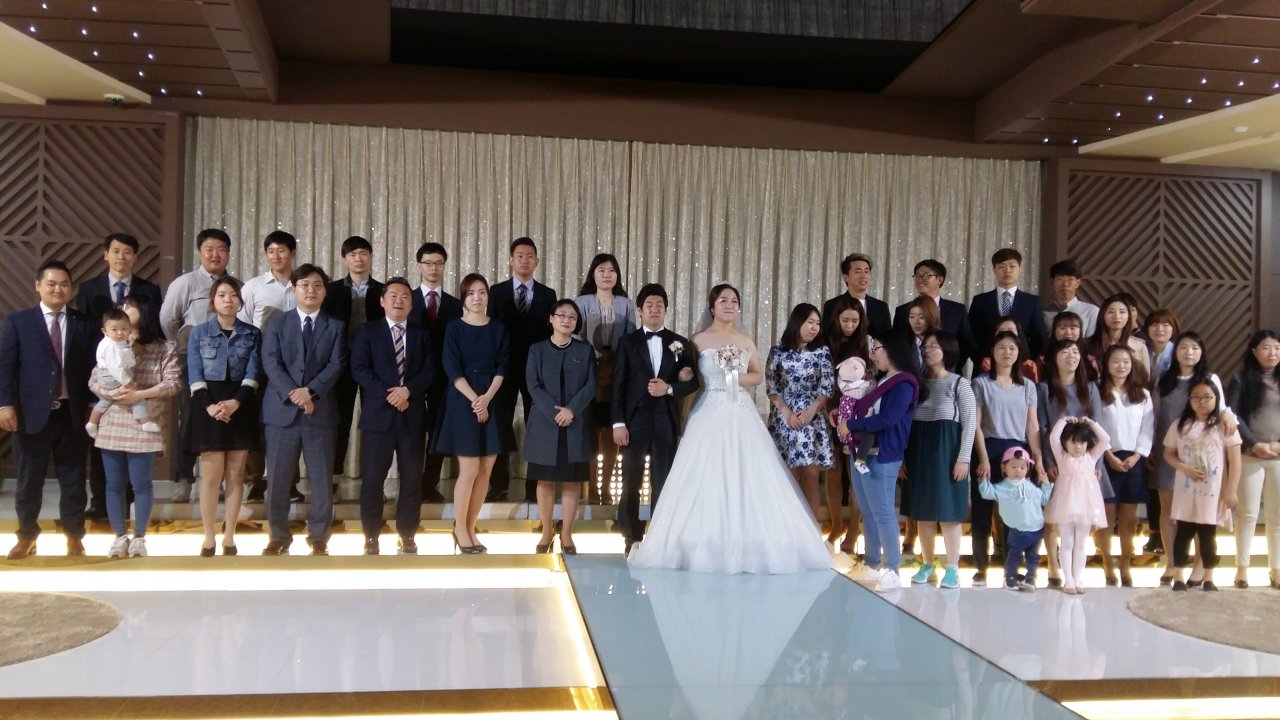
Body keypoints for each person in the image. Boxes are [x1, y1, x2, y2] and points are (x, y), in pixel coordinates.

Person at [628, 284, 830, 574]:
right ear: (712, 306)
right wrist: (684, 373)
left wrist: (734, 376)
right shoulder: (697, 340)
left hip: (740, 410)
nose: (729, 305)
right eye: (723, 300)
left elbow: (758, 376)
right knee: (705, 473)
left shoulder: (745, 340)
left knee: (747, 472)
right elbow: (688, 376)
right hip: (709, 409)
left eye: (734, 300)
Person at [0, 260, 96, 560]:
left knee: (74, 479)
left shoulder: (84, 323)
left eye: (64, 284)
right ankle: (26, 536)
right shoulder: (18, 322)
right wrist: (5, 405)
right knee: (29, 480)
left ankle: (74, 537)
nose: (58, 289)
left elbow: (94, 368)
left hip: (72, 413)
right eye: (51, 283)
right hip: (30, 414)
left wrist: (93, 406)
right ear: (38, 286)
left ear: (71, 288)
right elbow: (6, 367)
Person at [259, 265, 345, 556]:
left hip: (319, 413)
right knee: (278, 480)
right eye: (305, 285)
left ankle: (319, 537)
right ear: (294, 289)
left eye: (318, 285)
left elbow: (336, 364)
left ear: (325, 291)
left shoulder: (335, 326)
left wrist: (310, 392)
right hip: (281, 412)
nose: (311, 290)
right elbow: (270, 362)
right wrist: (295, 394)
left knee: (321, 480)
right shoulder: (276, 322)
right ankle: (278, 536)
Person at [75, 232, 163, 520]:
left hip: (137, 373)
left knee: (133, 439)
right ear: (106, 255)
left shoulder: (149, 290)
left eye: (127, 252)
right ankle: (99, 500)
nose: (121, 257)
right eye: (115, 251)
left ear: (135, 257)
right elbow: (84, 333)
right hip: (102, 374)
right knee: (103, 439)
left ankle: (128, 502)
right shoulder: (90, 289)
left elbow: (153, 328)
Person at [611, 283, 700, 556]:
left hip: (664, 417)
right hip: (635, 419)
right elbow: (618, 385)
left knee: (663, 478)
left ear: (666, 310)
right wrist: (618, 423)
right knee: (631, 477)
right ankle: (631, 534)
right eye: (648, 305)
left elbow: (693, 381)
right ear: (639, 311)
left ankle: (661, 535)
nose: (654, 309)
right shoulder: (627, 342)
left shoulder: (679, 343)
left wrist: (670, 388)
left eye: (659, 305)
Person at [90, 297, 181, 558]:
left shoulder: (163, 347)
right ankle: (119, 536)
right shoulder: (109, 342)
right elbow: (94, 379)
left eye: (130, 306)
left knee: (141, 484)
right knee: (113, 484)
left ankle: (139, 537)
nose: (124, 311)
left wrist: (139, 394)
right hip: (114, 419)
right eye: (121, 308)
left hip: (145, 422)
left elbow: (174, 384)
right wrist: (113, 393)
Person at [350, 278, 433, 555]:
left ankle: (407, 533)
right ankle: (371, 535)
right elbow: (359, 369)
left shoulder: (422, 334)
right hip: (378, 416)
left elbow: (430, 370)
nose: (399, 301)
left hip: (412, 415)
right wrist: (390, 394)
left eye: (405, 296)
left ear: (412, 303)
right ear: (382, 301)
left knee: (412, 478)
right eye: (393, 296)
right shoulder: (367, 331)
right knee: (373, 479)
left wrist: (407, 391)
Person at [433, 273, 514, 554]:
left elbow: (503, 367)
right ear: (463, 298)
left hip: (492, 398)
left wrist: (487, 399)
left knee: (486, 469)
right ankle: (459, 528)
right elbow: (452, 368)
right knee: (469, 469)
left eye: (481, 292)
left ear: (488, 296)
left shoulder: (499, 328)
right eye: (471, 293)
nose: (477, 297)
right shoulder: (454, 327)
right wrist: (476, 401)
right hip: (462, 399)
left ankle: (470, 526)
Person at [838, 330, 922, 592]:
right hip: (862, 452)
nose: (873, 355)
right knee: (868, 510)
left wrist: (852, 425)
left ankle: (893, 569)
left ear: (891, 349)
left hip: (883, 453)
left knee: (883, 512)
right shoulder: (883, 380)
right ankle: (872, 563)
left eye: (876, 349)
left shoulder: (904, 383)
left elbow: (889, 418)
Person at [184, 276, 261, 556]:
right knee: (210, 475)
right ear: (213, 300)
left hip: (241, 403)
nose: (228, 300)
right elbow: (194, 373)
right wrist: (210, 406)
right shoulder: (198, 332)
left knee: (236, 473)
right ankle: (208, 536)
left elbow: (253, 372)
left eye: (233, 295)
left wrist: (235, 403)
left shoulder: (252, 333)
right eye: (222, 295)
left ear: (240, 301)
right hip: (208, 404)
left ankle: (229, 536)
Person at [1153, 332, 1236, 584]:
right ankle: (1171, 563)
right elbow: (1154, 413)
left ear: (1202, 352)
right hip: (1170, 446)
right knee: (1168, 508)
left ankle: (1200, 566)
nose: (1189, 352)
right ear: (1175, 351)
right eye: (1183, 347)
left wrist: (1229, 415)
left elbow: (1222, 409)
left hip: (1202, 453)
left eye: (1194, 348)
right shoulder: (1164, 378)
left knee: (1202, 512)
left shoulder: (1209, 378)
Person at [160, 228, 234, 503]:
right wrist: (184, 348)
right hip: (193, 361)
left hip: (227, 363)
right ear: (199, 252)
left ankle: (219, 481)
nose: (215, 255)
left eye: (221, 250)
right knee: (190, 418)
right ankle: (184, 479)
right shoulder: (185, 283)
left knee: (223, 417)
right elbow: (168, 320)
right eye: (209, 249)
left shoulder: (235, 285)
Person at [971, 331, 1045, 587]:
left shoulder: (1028, 386)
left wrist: (1038, 459)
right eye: (1001, 347)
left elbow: (1032, 426)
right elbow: (975, 424)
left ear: (1019, 353)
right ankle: (980, 567)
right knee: (982, 509)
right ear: (992, 352)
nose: (1007, 352)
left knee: (1015, 511)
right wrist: (983, 458)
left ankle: (1010, 567)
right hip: (989, 447)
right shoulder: (981, 383)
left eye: (1012, 348)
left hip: (1017, 451)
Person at [488, 237, 557, 502]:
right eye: (519, 255)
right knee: (500, 423)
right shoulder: (496, 292)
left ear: (537, 261)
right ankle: (498, 483)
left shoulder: (548, 295)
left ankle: (534, 485)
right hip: (503, 369)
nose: (524, 260)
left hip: (536, 370)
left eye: (530, 256)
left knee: (536, 424)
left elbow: (551, 335)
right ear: (510, 260)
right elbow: (491, 331)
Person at [526, 299, 596, 554]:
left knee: (571, 481)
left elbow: (591, 385)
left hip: (575, 423)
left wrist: (571, 410)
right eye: (562, 315)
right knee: (544, 481)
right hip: (545, 424)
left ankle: (566, 533)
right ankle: (547, 531)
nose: (567, 320)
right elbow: (533, 385)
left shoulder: (584, 350)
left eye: (572, 317)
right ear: (551, 319)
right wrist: (556, 413)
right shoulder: (537, 350)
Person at [906, 330, 975, 590]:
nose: (927, 350)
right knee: (922, 512)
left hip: (948, 453)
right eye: (925, 346)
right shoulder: (916, 383)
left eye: (934, 346)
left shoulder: (959, 384)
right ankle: (927, 564)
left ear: (947, 350)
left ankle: (952, 567)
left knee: (949, 513)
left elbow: (970, 424)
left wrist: (964, 459)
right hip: (919, 451)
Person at [1037, 337, 1105, 587]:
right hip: (1058, 460)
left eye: (1075, 352)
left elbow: (1098, 426)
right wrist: (1048, 461)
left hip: (1085, 461)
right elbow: (1043, 427)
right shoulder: (1044, 388)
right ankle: (1055, 568)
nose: (1071, 356)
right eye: (1065, 352)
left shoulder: (1090, 387)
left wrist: (1096, 464)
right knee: (1055, 519)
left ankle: (1077, 576)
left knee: (1080, 526)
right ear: (1054, 358)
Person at [238, 231, 299, 504]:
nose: (276, 256)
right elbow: (243, 326)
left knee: (292, 423)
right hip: (261, 364)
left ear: (292, 253)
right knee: (258, 422)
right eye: (271, 251)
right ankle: (255, 481)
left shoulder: (304, 284)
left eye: (281, 250)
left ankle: (289, 483)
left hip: (296, 367)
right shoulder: (253, 287)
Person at [1164, 380, 1241, 593]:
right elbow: (1168, 453)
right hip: (1186, 491)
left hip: (1213, 492)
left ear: (1216, 399)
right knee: (1183, 534)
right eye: (1197, 397)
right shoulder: (1180, 425)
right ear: (1189, 400)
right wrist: (1184, 468)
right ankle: (1178, 576)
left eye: (1208, 397)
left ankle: (1208, 577)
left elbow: (1235, 460)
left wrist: (1231, 490)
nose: (1202, 402)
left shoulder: (1224, 426)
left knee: (1208, 536)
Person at [321, 235, 385, 485]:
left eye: (363, 254)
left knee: (374, 421)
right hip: (341, 364)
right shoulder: (331, 290)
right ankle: (334, 478)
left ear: (371, 257)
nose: (359, 259)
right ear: (344, 259)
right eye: (353, 254)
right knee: (340, 420)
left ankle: (373, 479)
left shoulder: (383, 291)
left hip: (374, 365)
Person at [574, 253, 635, 504]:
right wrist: (594, 367)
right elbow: (575, 336)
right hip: (588, 374)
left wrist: (615, 367)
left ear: (617, 275)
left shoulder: (626, 304)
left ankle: (607, 487)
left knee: (611, 432)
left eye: (611, 270)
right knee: (590, 432)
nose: (607, 275)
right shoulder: (581, 302)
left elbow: (631, 340)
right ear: (593, 274)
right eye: (601, 270)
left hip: (617, 375)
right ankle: (591, 489)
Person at [766, 303, 835, 520]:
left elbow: (827, 387)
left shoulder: (822, 352)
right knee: (787, 475)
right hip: (784, 418)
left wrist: (810, 411)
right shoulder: (777, 351)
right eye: (810, 322)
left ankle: (812, 529)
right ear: (797, 322)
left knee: (811, 475)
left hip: (811, 418)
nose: (814, 327)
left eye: (817, 323)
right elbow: (772, 387)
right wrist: (787, 413)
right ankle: (787, 527)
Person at [1096, 345, 1154, 587]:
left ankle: (1125, 563)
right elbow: (1095, 425)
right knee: (1106, 515)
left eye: (1126, 362)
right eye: (1116, 361)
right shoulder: (1097, 391)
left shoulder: (1142, 394)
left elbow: (1148, 427)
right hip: (1105, 457)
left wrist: (1138, 455)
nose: (1121, 366)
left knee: (1129, 516)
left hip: (1133, 460)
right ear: (1106, 365)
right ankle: (1107, 562)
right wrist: (1108, 454)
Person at [409, 242, 463, 503]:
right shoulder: (405, 298)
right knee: (411, 430)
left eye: (439, 263)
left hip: (443, 378)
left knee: (437, 429)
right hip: (410, 378)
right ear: (419, 265)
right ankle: (410, 482)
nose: (433, 268)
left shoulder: (455, 304)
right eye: (428, 263)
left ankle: (430, 483)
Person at [1226, 331, 1280, 590]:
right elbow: (1233, 415)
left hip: (1279, 455)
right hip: (1249, 455)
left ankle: (1276, 569)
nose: (1272, 353)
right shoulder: (1241, 379)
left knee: (1276, 517)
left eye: (1277, 348)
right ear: (1254, 351)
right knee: (1247, 514)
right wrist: (1254, 444)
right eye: (1266, 348)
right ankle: (1242, 570)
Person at [823, 296, 870, 552]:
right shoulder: (825, 342)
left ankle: (854, 527)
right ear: (836, 320)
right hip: (829, 410)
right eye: (845, 321)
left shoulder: (866, 343)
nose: (850, 326)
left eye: (855, 321)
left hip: (857, 414)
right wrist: (831, 408)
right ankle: (836, 524)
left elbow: (871, 381)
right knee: (833, 469)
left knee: (855, 471)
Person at [1044, 416, 1110, 595]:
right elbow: (1053, 438)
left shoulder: (1091, 457)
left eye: (1082, 442)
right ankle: (1068, 579)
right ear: (1065, 443)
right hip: (1065, 505)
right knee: (1066, 543)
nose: (1078, 446)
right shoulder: (1062, 457)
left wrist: (1091, 423)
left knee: (1081, 544)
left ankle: (1078, 578)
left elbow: (1105, 439)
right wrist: (1063, 421)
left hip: (1086, 506)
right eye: (1073, 442)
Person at [978, 447, 1051, 592]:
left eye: (1022, 467)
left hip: (1037, 528)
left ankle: (1030, 579)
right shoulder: (1002, 487)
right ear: (1004, 468)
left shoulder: (1031, 486)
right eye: (1013, 467)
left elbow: (1044, 500)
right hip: (1017, 530)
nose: (1018, 471)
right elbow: (987, 493)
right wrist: (983, 480)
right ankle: (1010, 578)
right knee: (1014, 555)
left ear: (1028, 468)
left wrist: (1046, 485)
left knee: (1033, 556)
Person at [85, 309, 161, 439]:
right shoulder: (111, 347)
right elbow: (116, 369)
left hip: (109, 375)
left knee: (106, 400)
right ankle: (145, 422)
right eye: (114, 329)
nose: (120, 333)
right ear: (104, 331)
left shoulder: (117, 342)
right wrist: (128, 382)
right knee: (135, 395)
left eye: (124, 329)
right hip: (111, 376)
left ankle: (92, 423)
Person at [1141, 308, 1180, 555]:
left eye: (1166, 325)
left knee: (1172, 486)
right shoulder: (1140, 352)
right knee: (1153, 482)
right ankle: (1156, 533)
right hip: (1146, 422)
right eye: (1155, 324)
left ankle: (1177, 542)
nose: (1160, 329)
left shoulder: (1179, 354)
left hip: (1172, 424)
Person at [891, 259, 978, 369]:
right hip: (911, 372)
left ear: (940, 279)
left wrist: (950, 366)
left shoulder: (957, 310)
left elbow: (966, 344)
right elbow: (897, 344)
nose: (920, 279)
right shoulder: (902, 310)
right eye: (917, 275)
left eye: (926, 275)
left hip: (948, 371)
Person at [968, 248, 1047, 366]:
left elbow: (1039, 337)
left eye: (1012, 266)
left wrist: (1028, 359)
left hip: (1021, 365)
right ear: (994, 270)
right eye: (1002, 266)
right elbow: (971, 336)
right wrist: (981, 358)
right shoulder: (980, 301)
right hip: (988, 364)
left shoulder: (1032, 302)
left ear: (1019, 269)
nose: (1007, 270)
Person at [821, 252, 891, 338]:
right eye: (858, 272)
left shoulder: (881, 307)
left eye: (866, 271)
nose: (863, 276)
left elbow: (887, 339)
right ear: (846, 278)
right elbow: (826, 336)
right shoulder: (832, 305)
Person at [1088, 295, 1150, 386]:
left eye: (1122, 312)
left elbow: (1144, 380)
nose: (1117, 316)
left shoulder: (1139, 347)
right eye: (1111, 312)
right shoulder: (1087, 344)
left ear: (1128, 316)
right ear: (1102, 315)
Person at [1042, 260, 1099, 337]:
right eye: (1060, 279)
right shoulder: (1044, 313)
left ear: (1078, 283)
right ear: (1052, 282)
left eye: (1070, 279)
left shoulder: (1091, 311)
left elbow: (1093, 341)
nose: (1065, 284)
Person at [982, 317, 1041, 382]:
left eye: (1011, 332)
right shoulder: (987, 363)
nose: (1005, 335)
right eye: (1001, 332)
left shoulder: (1029, 366)